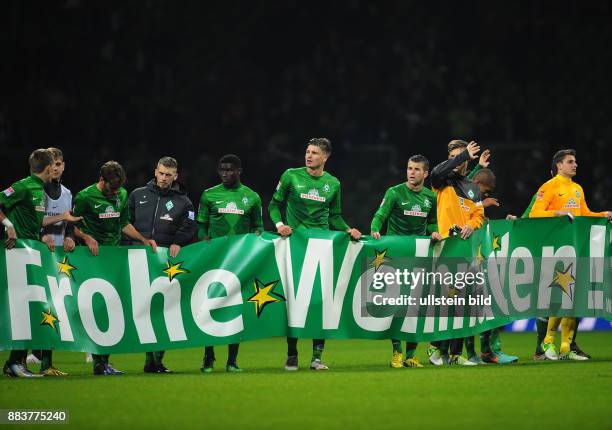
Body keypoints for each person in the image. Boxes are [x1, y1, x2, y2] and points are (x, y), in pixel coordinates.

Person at [269, 137, 362, 371]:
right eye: (307, 152)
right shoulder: (291, 175)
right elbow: (272, 206)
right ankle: (292, 354)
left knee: (321, 303)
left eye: (314, 153)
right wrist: (280, 225)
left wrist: (347, 229)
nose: (308, 156)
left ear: (325, 157)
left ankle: (317, 357)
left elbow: (335, 216)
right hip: (295, 246)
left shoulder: (334, 183)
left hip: (322, 247)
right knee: (295, 301)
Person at [73, 160, 157, 375]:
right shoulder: (84, 197)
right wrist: (86, 237)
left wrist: (142, 239)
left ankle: (102, 363)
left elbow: (123, 223)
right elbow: (72, 226)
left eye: (118, 188)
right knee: (97, 308)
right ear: (101, 180)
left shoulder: (121, 195)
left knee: (113, 309)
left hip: (115, 258)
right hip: (93, 259)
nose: (115, 192)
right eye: (112, 188)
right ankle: (97, 359)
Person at [1, 149, 78, 377]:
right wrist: (8, 226)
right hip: (17, 254)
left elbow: (38, 220)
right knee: (21, 308)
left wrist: (62, 218)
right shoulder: (24, 186)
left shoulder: (38, 190)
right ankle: (15, 362)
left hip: (32, 252)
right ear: (47, 168)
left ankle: (17, 363)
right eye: (53, 165)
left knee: (31, 309)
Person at [529, 149, 611, 361]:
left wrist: (603, 215)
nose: (575, 165)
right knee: (560, 295)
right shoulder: (549, 187)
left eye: (575, 161)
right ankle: (548, 341)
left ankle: (566, 346)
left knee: (573, 298)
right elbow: (534, 214)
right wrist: (558, 213)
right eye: (570, 161)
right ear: (559, 165)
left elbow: (584, 214)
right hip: (556, 249)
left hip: (576, 248)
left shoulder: (577, 189)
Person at [370, 155, 441, 368]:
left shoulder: (430, 197)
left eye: (417, 169)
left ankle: (411, 355)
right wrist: (374, 229)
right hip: (397, 257)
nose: (411, 172)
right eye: (409, 168)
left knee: (416, 307)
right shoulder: (394, 192)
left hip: (419, 258)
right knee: (398, 307)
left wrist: (435, 232)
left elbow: (432, 223)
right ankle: (397, 352)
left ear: (426, 173)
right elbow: (380, 215)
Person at [128, 156, 197, 373]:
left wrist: (178, 241)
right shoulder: (137, 195)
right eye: (161, 173)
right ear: (155, 171)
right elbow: (125, 222)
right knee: (136, 308)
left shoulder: (183, 201)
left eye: (169, 175)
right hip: (137, 260)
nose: (164, 178)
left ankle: (155, 360)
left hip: (165, 263)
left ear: (176, 176)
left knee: (163, 310)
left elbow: (191, 224)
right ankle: (103, 361)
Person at [197, 154, 263, 373]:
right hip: (215, 262)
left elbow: (258, 228)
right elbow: (201, 227)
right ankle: (208, 356)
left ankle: (232, 360)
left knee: (236, 310)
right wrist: (205, 241)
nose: (225, 173)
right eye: (222, 170)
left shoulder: (251, 197)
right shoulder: (209, 195)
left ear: (239, 171)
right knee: (210, 307)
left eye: (230, 170)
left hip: (239, 264)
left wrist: (255, 239)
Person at [426, 139, 484, 366]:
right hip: (445, 249)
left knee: (464, 302)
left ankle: (454, 354)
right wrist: (462, 156)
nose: (456, 161)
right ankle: (436, 349)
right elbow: (437, 170)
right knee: (446, 302)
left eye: (460, 156)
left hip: (466, 250)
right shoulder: (442, 181)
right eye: (453, 157)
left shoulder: (473, 187)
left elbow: (478, 215)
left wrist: (472, 225)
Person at [26, 147, 76, 376]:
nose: (55, 168)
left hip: (57, 258)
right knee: (37, 305)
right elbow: (29, 221)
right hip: (36, 254)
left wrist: (69, 237)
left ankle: (45, 360)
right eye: (52, 164)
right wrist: (41, 236)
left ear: (63, 166)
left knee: (54, 306)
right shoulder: (36, 190)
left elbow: (70, 223)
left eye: (59, 164)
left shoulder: (67, 193)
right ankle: (31, 353)